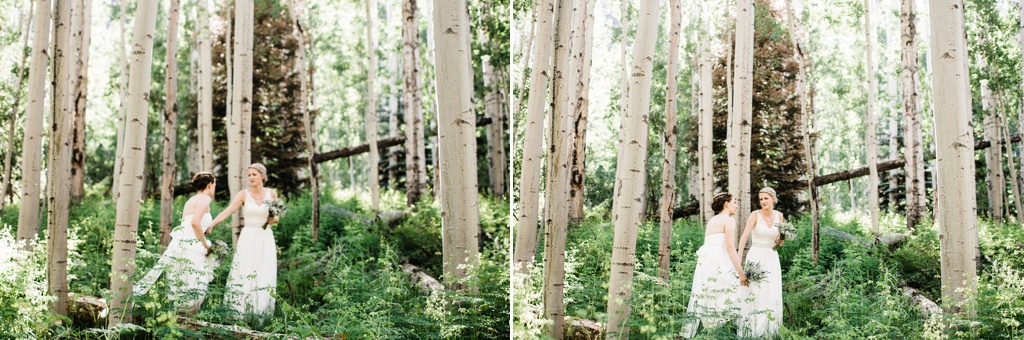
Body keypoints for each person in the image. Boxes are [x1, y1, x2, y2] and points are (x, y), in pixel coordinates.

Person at [133, 172, 218, 314]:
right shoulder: (205, 199)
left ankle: (178, 317)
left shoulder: (192, 200)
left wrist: (205, 229)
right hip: (194, 245)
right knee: (195, 282)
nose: (214, 188)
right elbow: (195, 222)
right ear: (209, 185)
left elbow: (189, 223)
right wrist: (205, 244)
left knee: (182, 281)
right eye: (214, 184)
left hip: (182, 243)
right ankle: (188, 319)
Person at [211, 163, 279, 319]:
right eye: (249, 175)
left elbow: (278, 216)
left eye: (254, 174)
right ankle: (239, 312)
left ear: (263, 175)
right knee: (245, 270)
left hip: (265, 237)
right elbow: (228, 211)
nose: (251, 178)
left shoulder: (272, 193)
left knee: (263, 271)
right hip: (248, 237)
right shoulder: (243, 194)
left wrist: (273, 219)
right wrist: (212, 224)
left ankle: (261, 313)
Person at [682, 192, 749, 338]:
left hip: (707, 261)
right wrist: (741, 272)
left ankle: (711, 330)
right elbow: (731, 248)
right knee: (736, 288)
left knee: (710, 293)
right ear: (726, 204)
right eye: (734, 202)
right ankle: (735, 331)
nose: (736, 206)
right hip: (720, 260)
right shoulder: (729, 220)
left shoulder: (713, 220)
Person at [736, 187, 785, 337]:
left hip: (771, 256)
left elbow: (781, 242)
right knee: (756, 291)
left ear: (773, 199)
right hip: (756, 256)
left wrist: (781, 239)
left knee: (771, 291)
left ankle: (769, 329)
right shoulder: (754, 215)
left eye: (766, 198)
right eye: (761, 199)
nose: (763, 201)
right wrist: (739, 262)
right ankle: (752, 329)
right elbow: (744, 237)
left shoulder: (780, 216)